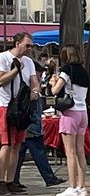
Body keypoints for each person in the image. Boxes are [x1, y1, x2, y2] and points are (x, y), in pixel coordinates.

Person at [14, 60, 66, 189]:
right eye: (39, 73)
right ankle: (49, 178)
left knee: (20, 154)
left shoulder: (33, 88)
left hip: (29, 126)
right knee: (38, 153)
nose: (39, 75)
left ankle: (14, 179)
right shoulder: (29, 89)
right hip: (31, 126)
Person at [0, 32, 39, 195]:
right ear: (17, 43)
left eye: (31, 46)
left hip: (21, 108)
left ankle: (11, 180)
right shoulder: (3, 58)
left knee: (17, 144)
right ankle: (1, 180)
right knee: (6, 144)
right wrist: (16, 70)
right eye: (27, 45)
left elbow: (33, 80)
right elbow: (1, 80)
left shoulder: (28, 62)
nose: (29, 49)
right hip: (5, 105)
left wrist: (35, 90)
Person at [50, 45, 90, 196]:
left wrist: (53, 82)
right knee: (80, 150)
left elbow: (55, 91)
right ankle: (82, 186)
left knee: (70, 152)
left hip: (70, 112)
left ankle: (72, 186)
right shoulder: (84, 72)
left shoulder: (67, 70)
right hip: (82, 111)